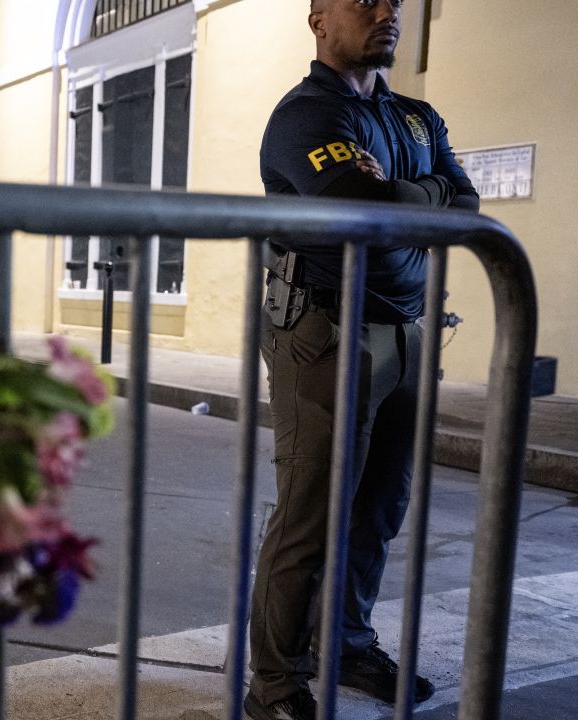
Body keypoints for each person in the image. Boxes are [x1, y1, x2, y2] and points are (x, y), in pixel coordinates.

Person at [246, 1, 479, 719]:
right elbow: (360, 211)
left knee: (380, 508)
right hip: (323, 331)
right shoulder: (306, 117)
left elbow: (465, 203)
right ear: (319, 20)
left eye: (395, 2)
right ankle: (275, 685)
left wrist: (405, 191)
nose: (386, 12)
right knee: (311, 514)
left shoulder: (415, 118)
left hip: (406, 333)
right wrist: (417, 198)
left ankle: (343, 643)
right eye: (364, 0)